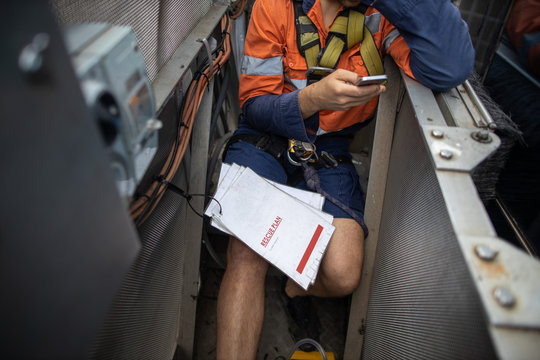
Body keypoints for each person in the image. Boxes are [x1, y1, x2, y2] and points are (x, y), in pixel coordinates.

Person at [216, 0, 474, 358]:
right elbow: (255, 106)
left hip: (328, 150)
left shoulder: (381, 15)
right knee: (246, 252)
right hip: (265, 136)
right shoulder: (274, 5)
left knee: (344, 274)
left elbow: (450, 67)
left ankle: (294, 287)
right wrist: (311, 99)